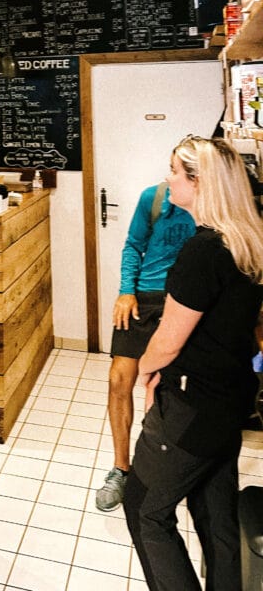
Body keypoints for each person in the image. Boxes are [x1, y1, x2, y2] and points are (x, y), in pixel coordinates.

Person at [123, 136, 263, 590]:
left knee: (144, 509)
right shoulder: (246, 242)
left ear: (198, 182)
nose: (167, 179)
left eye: (174, 171)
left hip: (191, 405)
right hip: (231, 398)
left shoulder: (202, 252)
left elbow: (168, 341)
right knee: (214, 512)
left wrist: (144, 370)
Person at [96, 180, 195, 511]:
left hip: (185, 299)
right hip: (143, 297)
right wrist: (126, 290)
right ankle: (121, 469)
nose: (171, 177)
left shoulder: (213, 202)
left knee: (168, 387)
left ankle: (162, 466)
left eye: (177, 170)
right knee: (118, 379)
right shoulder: (153, 198)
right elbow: (133, 245)